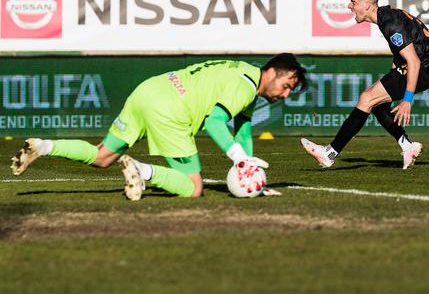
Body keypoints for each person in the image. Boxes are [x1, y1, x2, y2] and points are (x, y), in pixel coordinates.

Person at [11, 54, 308, 200]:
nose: (283, 95)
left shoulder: (245, 76)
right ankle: (143, 171)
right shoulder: (245, 85)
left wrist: (252, 172)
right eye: (285, 86)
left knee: (102, 156)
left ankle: (44, 145)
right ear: (271, 72)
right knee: (193, 188)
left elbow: (242, 129)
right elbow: (216, 122)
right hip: (170, 109)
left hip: (148, 90)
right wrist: (239, 160)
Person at [301, 0, 429, 170]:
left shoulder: (389, 22)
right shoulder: (388, 16)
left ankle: (329, 153)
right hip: (427, 66)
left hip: (425, 68)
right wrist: (395, 68)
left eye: (353, 1)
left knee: (367, 98)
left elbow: (414, 61)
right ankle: (407, 146)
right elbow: (407, 46)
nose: (349, 6)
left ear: (367, 5)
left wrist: (407, 99)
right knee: (376, 104)